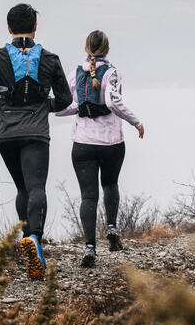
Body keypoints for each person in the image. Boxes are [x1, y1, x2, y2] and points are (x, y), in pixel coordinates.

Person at [0, 4, 72, 280]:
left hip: (6, 132)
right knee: (36, 186)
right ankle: (34, 240)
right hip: (35, 131)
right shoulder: (50, 59)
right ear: (35, 27)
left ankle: (26, 237)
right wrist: (46, 105)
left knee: (22, 188)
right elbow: (66, 100)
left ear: (9, 28)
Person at [56, 30, 144, 267]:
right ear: (107, 49)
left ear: (86, 49)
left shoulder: (75, 74)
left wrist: (64, 108)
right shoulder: (112, 73)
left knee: (88, 196)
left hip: (83, 144)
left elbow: (66, 106)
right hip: (111, 143)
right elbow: (112, 101)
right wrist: (136, 122)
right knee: (110, 184)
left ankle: (89, 248)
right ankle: (112, 229)